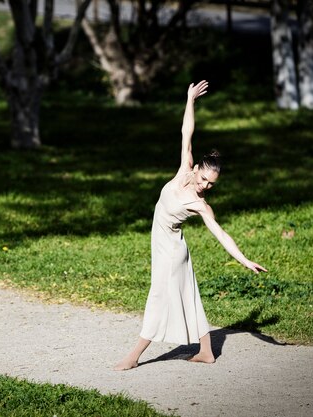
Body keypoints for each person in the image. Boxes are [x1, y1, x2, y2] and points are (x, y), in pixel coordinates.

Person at [114, 80, 268, 370]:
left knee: (159, 298)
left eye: (211, 183)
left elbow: (220, 233)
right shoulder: (184, 168)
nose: (205, 185)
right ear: (196, 167)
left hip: (171, 251)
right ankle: (207, 351)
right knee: (190, 295)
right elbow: (187, 132)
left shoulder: (200, 204)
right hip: (168, 245)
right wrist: (189, 100)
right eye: (204, 178)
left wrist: (244, 260)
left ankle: (133, 357)